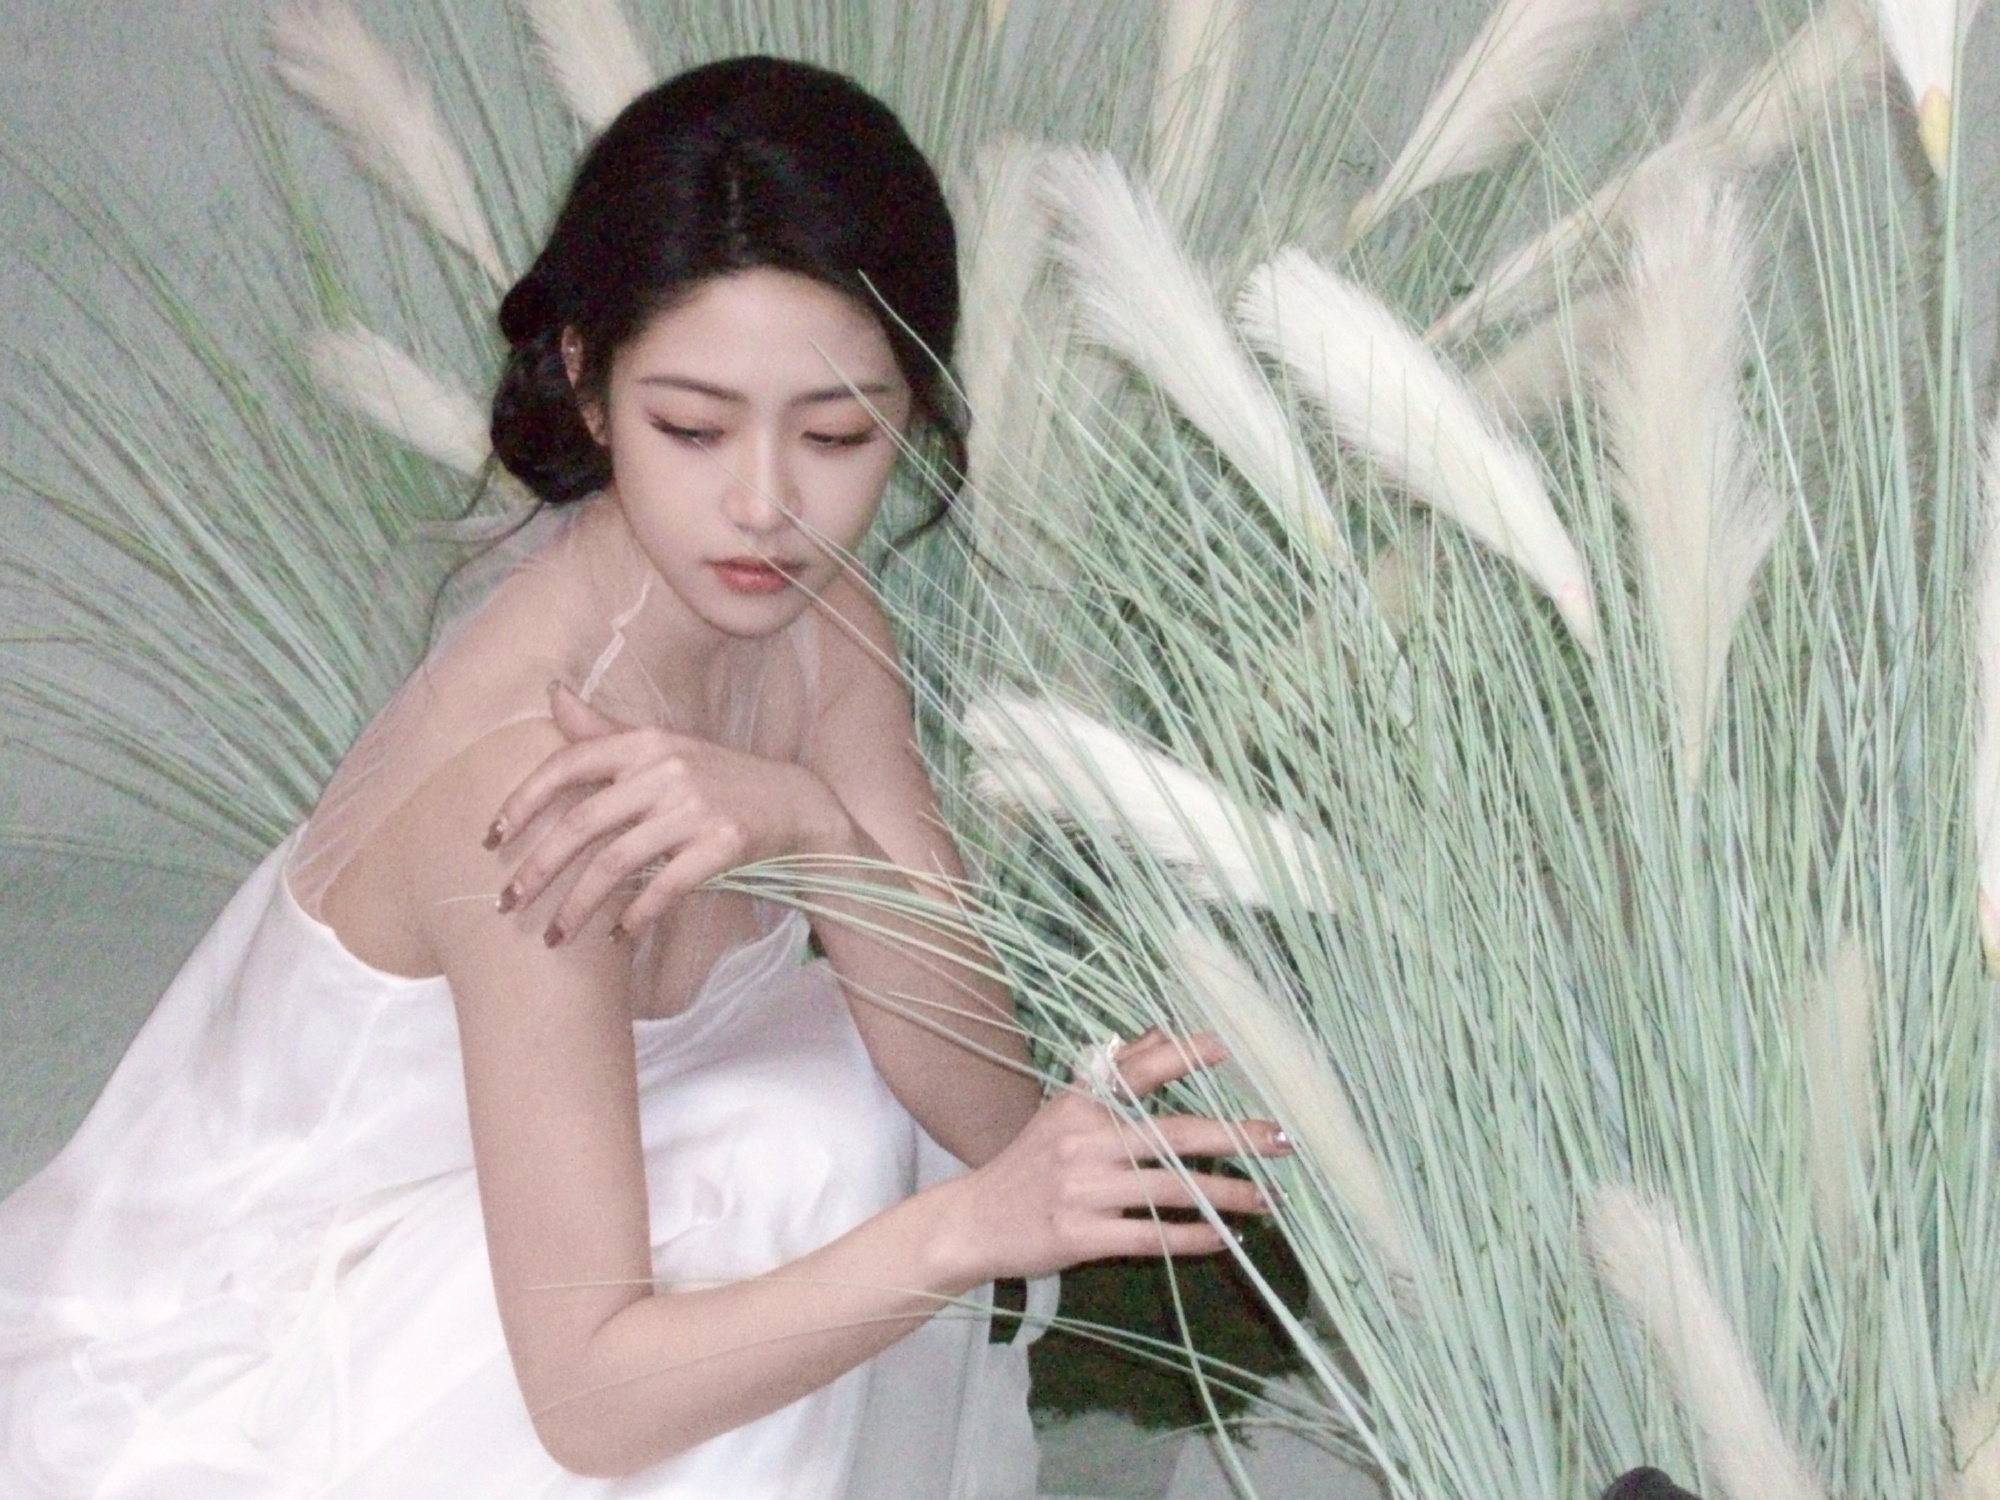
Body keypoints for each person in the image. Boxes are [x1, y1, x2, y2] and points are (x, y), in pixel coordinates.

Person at [0, 56, 1284, 1496]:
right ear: (587, 385)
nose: (766, 505)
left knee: (824, 1109)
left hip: (516, 1280)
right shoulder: (531, 779)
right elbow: (594, 1402)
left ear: (916, 408)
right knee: (799, 1156)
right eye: (692, 427)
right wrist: (970, 1234)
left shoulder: (818, 619)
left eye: (838, 432)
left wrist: (814, 833)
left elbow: (979, 1106)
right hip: (287, 1368)